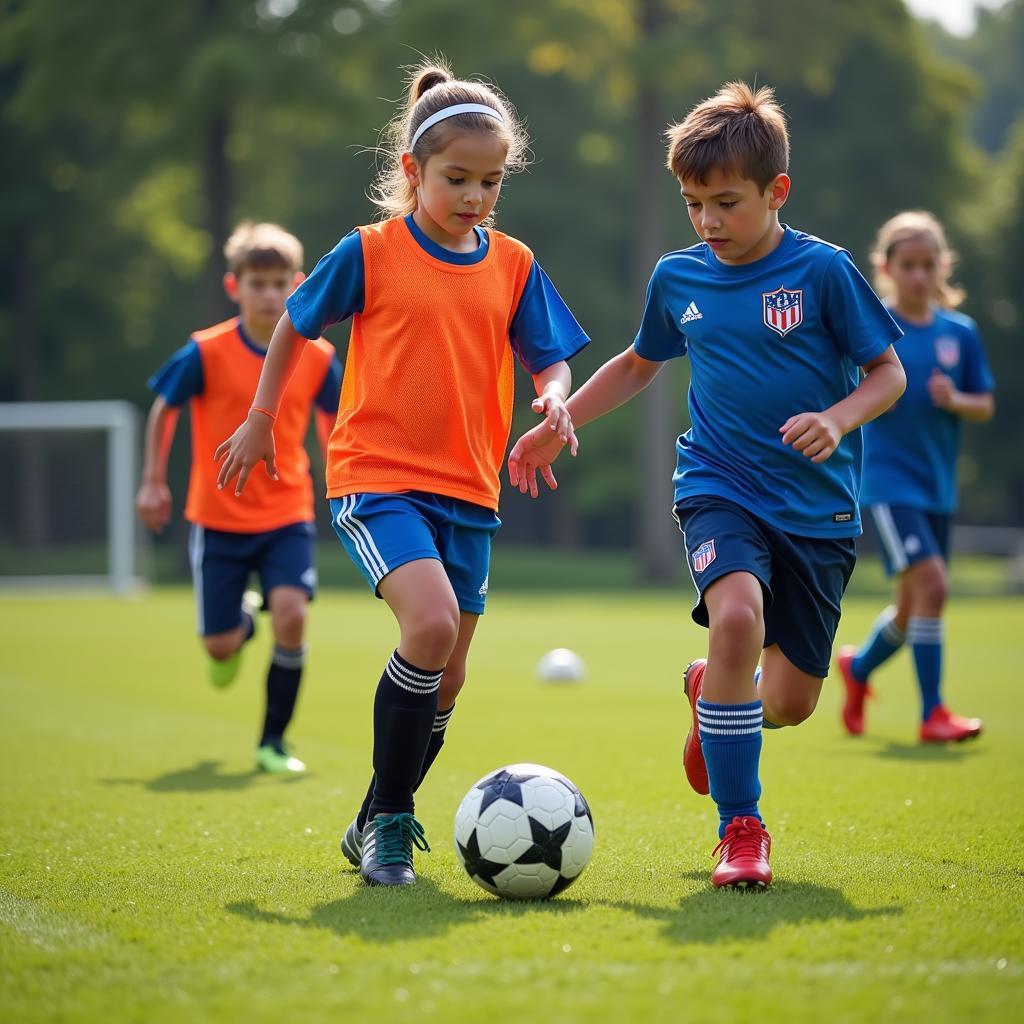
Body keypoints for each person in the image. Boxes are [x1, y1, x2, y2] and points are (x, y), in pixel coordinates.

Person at [508, 82, 906, 889]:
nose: (708, 222)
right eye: (694, 204)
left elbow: (888, 373)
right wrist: (561, 416)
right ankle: (741, 830)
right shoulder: (678, 277)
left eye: (726, 202)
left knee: (788, 703)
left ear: (776, 192)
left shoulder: (824, 272)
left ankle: (709, 695)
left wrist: (836, 418)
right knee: (735, 618)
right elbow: (635, 365)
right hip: (718, 483)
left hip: (818, 510)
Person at [213, 60, 589, 887]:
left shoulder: (515, 263)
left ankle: (372, 815)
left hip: (471, 492)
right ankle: (392, 820)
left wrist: (554, 402)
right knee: (429, 629)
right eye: (457, 179)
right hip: (376, 476)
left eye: (491, 182)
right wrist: (260, 418)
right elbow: (294, 326)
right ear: (413, 173)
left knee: (448, 673)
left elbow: (550, 359)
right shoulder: (371, 252)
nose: (475, 197)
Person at [136, 221, 341, 774]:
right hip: (219, 518)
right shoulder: (207, 351)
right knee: (221, 647)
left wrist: (338, 473)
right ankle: (243, 621)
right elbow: (165, 407)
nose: (270, 295)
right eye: (258, 283)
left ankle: (273, 742)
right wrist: (154, 480)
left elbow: (336, 419)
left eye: (280, 284)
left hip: (286, 513)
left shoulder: (317, 356)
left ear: (297, 285)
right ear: (236, 286)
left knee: (294, 616)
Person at [836, 211, 995, 742]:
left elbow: (985, 404)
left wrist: (959, 401)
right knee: (933, 585)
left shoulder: (960, 333)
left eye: (929, 265)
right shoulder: (874, 326)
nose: (920, 275)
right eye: (908, 265)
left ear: (942, 266)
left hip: (937, 487)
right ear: (886, 268)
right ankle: (933, 714)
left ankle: (857, 671)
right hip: (886, 483)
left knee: (911, 607)